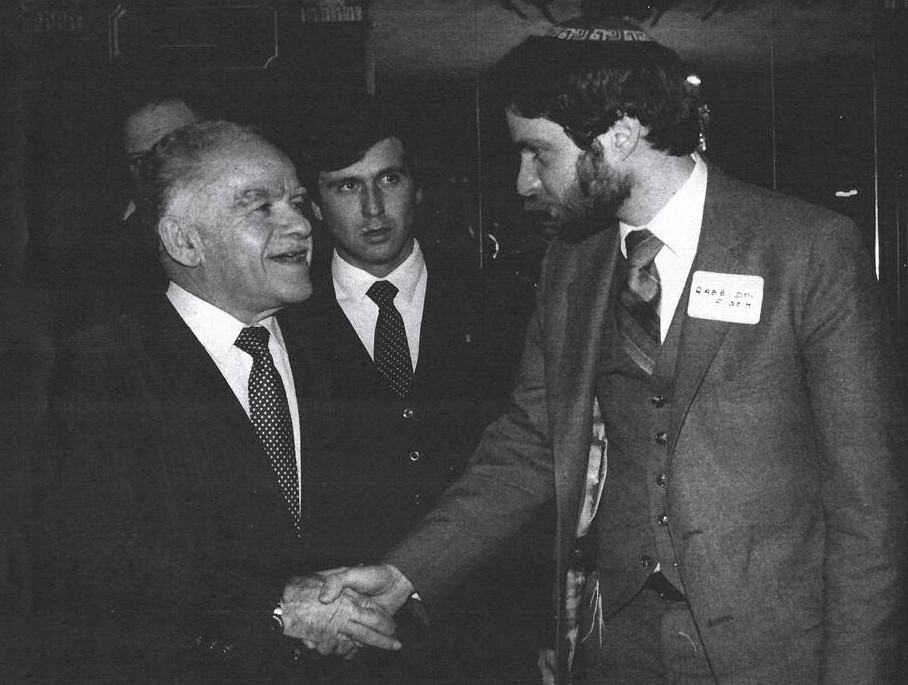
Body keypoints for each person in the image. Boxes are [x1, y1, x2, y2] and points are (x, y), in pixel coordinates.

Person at [312, 16, 908, 685]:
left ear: (619, 134)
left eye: (539, 152)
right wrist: (403, 574)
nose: (523, 182)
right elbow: (529, 446)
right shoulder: (572, 265)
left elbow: (871, 511)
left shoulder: (808, 250)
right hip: (615, 649)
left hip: (775, 654)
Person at [44, 120, 396, 683]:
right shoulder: (107, 365)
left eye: (298, 202)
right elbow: (103, 557)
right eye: (260, 207)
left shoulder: (330, 343)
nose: (301, 225)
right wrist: (276, 609)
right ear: (184, 241)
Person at [296, 97, 546, 682]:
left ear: (418, 187)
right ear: (313, 206)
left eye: (389, 178)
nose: (374, 207)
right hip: (349, 639)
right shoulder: (285, 321)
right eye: (345, 187)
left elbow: (537, 461)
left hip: (496, 629)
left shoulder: (503, 303)